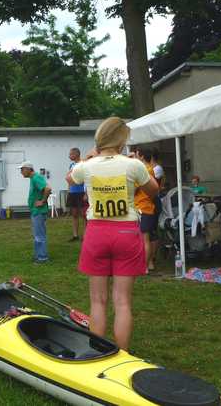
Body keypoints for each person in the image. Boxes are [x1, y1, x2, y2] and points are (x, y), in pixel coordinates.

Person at [66, 117, 157, 351]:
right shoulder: (132, 164)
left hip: (97, 233)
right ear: (122, 139)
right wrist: (139, 165)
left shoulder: (87, 166)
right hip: (126, 232)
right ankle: (123, 355)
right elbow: (154, 190)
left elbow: (70, 179)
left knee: (98, 301)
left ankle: (97, 353)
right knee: (123, 302)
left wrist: (88, 157)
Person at [19, 162, 52, 263]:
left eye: (22, 169)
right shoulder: (34, 178)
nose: (21, 172)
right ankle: (38, 255)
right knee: (37, 234)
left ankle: (42, 257)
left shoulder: (35, 178)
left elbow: (48, 189)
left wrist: (42, 201)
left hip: (38, 211)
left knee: (39, 235)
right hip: (36, 211)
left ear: (29, 169)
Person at [134, 150, 159, 272]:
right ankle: (149, 263)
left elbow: (134, 188)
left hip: (143, 206)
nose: (134, 157)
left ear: (142, 156)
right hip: (147, 206)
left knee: (144, 238)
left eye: (136, 155)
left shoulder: (144, 170)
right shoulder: (150, 169)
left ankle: (143, 266)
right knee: (150, 236)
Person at [67, 148, 87, 241]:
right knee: (74, 214)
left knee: (84, 215)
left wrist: (86, 193)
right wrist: (68, 190)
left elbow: (87, 180)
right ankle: (75, 235)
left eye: (71, 154)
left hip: (81, 192)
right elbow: (69, 178)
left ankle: (86, 235)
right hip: (72, 193)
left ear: (76, 154)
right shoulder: (71, 165)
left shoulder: (83, 164)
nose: (69, 156)